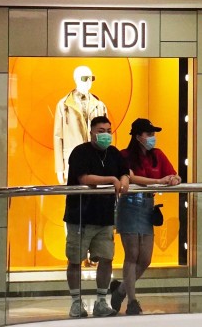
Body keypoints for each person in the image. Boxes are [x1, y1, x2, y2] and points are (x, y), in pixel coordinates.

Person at [110, 118, 181, 316]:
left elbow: (174, 174)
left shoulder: (157, 155)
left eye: (153, 134)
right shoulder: (124, 156)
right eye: (149, 134)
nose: (152, 138)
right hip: (130, 205)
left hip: (148, 206)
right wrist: (159, 180)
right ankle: (132, 300)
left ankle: (121, 289)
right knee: (132, 254)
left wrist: (174, 179)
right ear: (138, 136)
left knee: (146, 258)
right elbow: (131, 177)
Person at [64, 116, 130, 319]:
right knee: (75, 259)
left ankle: (102, 300)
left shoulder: (114, 153)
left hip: (105, 217)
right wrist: (111, 179)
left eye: (109, 130)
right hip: (80, 216)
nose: (105, 134)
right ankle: (76, 301)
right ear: (91, 131)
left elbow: (125, 172)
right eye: (101, 130)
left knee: (107, 258)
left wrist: (124, 178)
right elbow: (84, 178)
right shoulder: (80, 152)